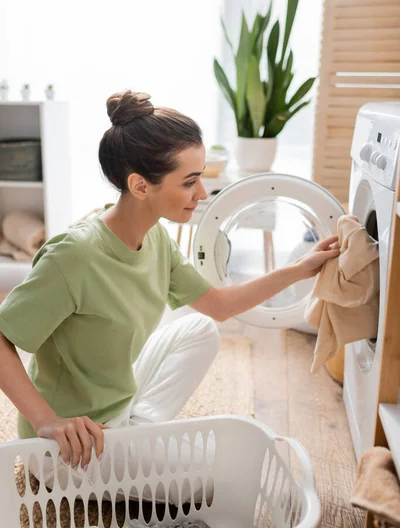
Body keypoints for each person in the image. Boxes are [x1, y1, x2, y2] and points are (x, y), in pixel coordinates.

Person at [0, 90, 339, 475]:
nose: (202, 193)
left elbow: (219, 305)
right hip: (67, 447)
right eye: (190, 181)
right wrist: (47, 422)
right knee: (220, 475)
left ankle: (137, 433)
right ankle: (137, 442)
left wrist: (299, 268)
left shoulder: (155, 238)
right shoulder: (73, 257)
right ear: (141, 186)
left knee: (199, 328)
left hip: (116, 405)